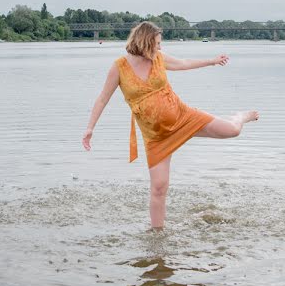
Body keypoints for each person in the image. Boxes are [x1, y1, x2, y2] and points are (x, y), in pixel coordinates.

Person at [82, 21, 259, 229]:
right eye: (157, 43)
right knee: (158, 188)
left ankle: (240, 115)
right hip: (157, 137)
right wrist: (90, 128)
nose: (160, 48)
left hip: (183, 118)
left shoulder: (158, 58)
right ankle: (157, 235)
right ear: (145, 42)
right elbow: (102, 99)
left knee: (233, 130)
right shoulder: (119, 67)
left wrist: (212, 61)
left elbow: (183, 63)